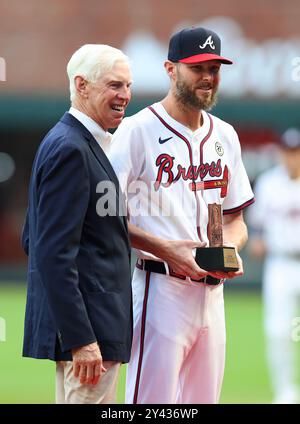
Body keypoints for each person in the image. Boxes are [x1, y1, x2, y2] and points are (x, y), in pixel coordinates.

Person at [108, 26, 254, 404]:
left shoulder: (226, 135)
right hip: (161, 288)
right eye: (197, 67)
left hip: (213, 297)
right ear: (170, 69)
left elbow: (236, 219)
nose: (207, 77)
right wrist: (162, 247)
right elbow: (104, 216)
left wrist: (231, 249)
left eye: (214, 67)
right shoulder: (136, 132)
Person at [21, 44, 133, 404]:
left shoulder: (77, 142)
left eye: (128, 86)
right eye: (115, 85)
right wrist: (81, 338)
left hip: (92, 331)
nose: (125, 95)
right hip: (90, 336)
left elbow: (31, 238)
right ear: (81, 85)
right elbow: (51, 252)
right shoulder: (72, 147)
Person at [248, 128, 300, 404]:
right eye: (289, 152)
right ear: (281, 154)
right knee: (279, 330)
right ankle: (286, 392)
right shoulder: (269, 184)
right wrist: (257, 240)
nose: (293, 158)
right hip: (280, 263)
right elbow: (256, 225)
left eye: (297, 152)